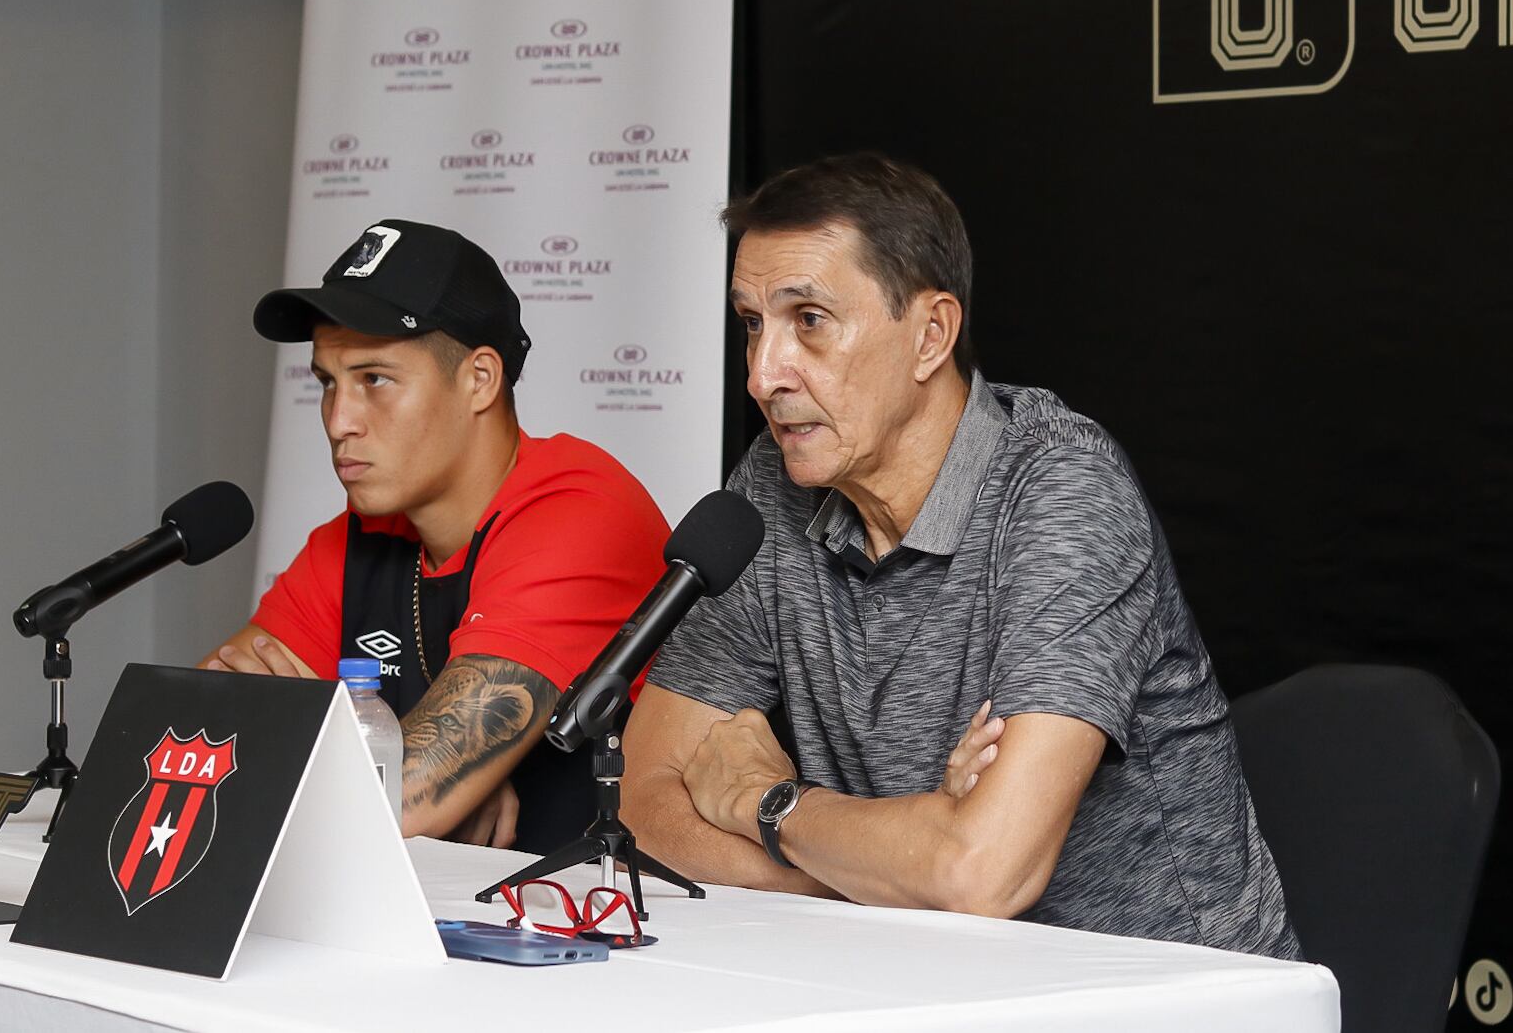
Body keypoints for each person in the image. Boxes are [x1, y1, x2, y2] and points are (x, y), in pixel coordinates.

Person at [623, 154, 1301, 959]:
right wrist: (893, 873)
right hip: (925, 977)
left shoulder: (1060, 489)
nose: (764, 375)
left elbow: (984, 873)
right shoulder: (771, 488)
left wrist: (768, 805)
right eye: (751, 324)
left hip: (1169, 998)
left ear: (931, 336)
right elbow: (643, 805)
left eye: (808, 319)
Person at [201, 219, 670, 852]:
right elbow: (188, 748)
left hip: (619, 929)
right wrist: (428, 778)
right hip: (454, 922)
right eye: (327, 382)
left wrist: (414, 780)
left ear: (479, 379)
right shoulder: (354, 540)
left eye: (375, 379)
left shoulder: (579, 508)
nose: (339, 421)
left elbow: (401, 802)